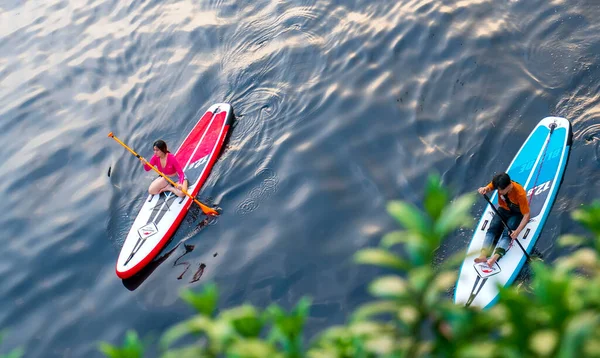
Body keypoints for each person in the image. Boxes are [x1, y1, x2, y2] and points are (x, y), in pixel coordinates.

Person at [474, 172, 530, 267]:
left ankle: (494, 258)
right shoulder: (500, 184)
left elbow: (527, 215)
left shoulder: (520, 194)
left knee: (507, 234)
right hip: (503, 209)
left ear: (508, 186)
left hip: (516, 214)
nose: (499, 192)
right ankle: (483, 255)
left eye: (500, 190)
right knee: (492, 229)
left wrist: (517, 231)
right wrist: (485, 189)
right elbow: (490, 187)